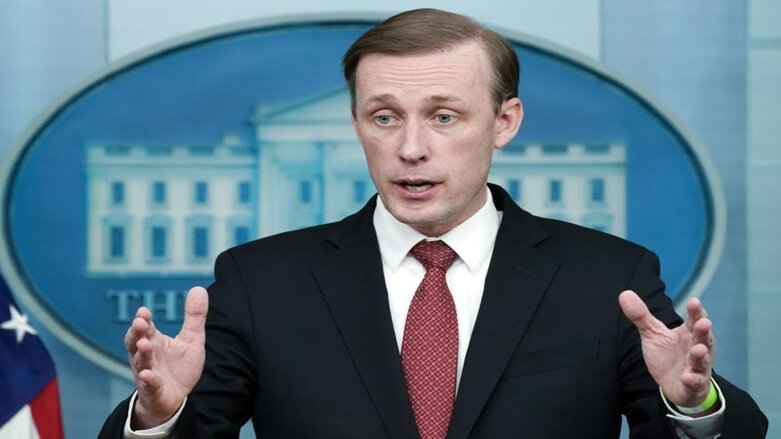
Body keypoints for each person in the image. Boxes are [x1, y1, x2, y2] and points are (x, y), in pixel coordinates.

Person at [100, 8, 767, 438]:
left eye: (443, 116)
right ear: (357, 123)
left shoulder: (605, 277)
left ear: (504, 122)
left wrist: (694, 403)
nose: (410, 148)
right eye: (384, 116)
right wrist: (159, 417)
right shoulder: (261, 279)